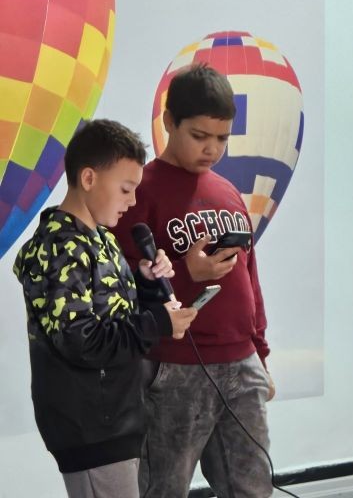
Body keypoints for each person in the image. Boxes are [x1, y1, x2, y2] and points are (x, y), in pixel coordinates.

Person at [114, 63, 275, 498]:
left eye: (222, 138)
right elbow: (118, 281)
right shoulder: (138, 191)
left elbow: (250, 278)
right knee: (164, 489)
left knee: (254, 488)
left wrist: (260, 354)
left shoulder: (228, 191)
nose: (212, 149)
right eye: (200, 136)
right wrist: (187, 272)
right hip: (175, 366)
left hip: (242, 362)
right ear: (169, 122)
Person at [13, 119, 198, 498]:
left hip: (115, 419)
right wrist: (158, 323)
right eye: (126, 189)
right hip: (91, 427)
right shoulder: (60, 248)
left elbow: (113, 314)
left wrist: (146, 283)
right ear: (89, 178)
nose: (132, 201)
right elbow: (82, 342)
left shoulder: (101, 240)